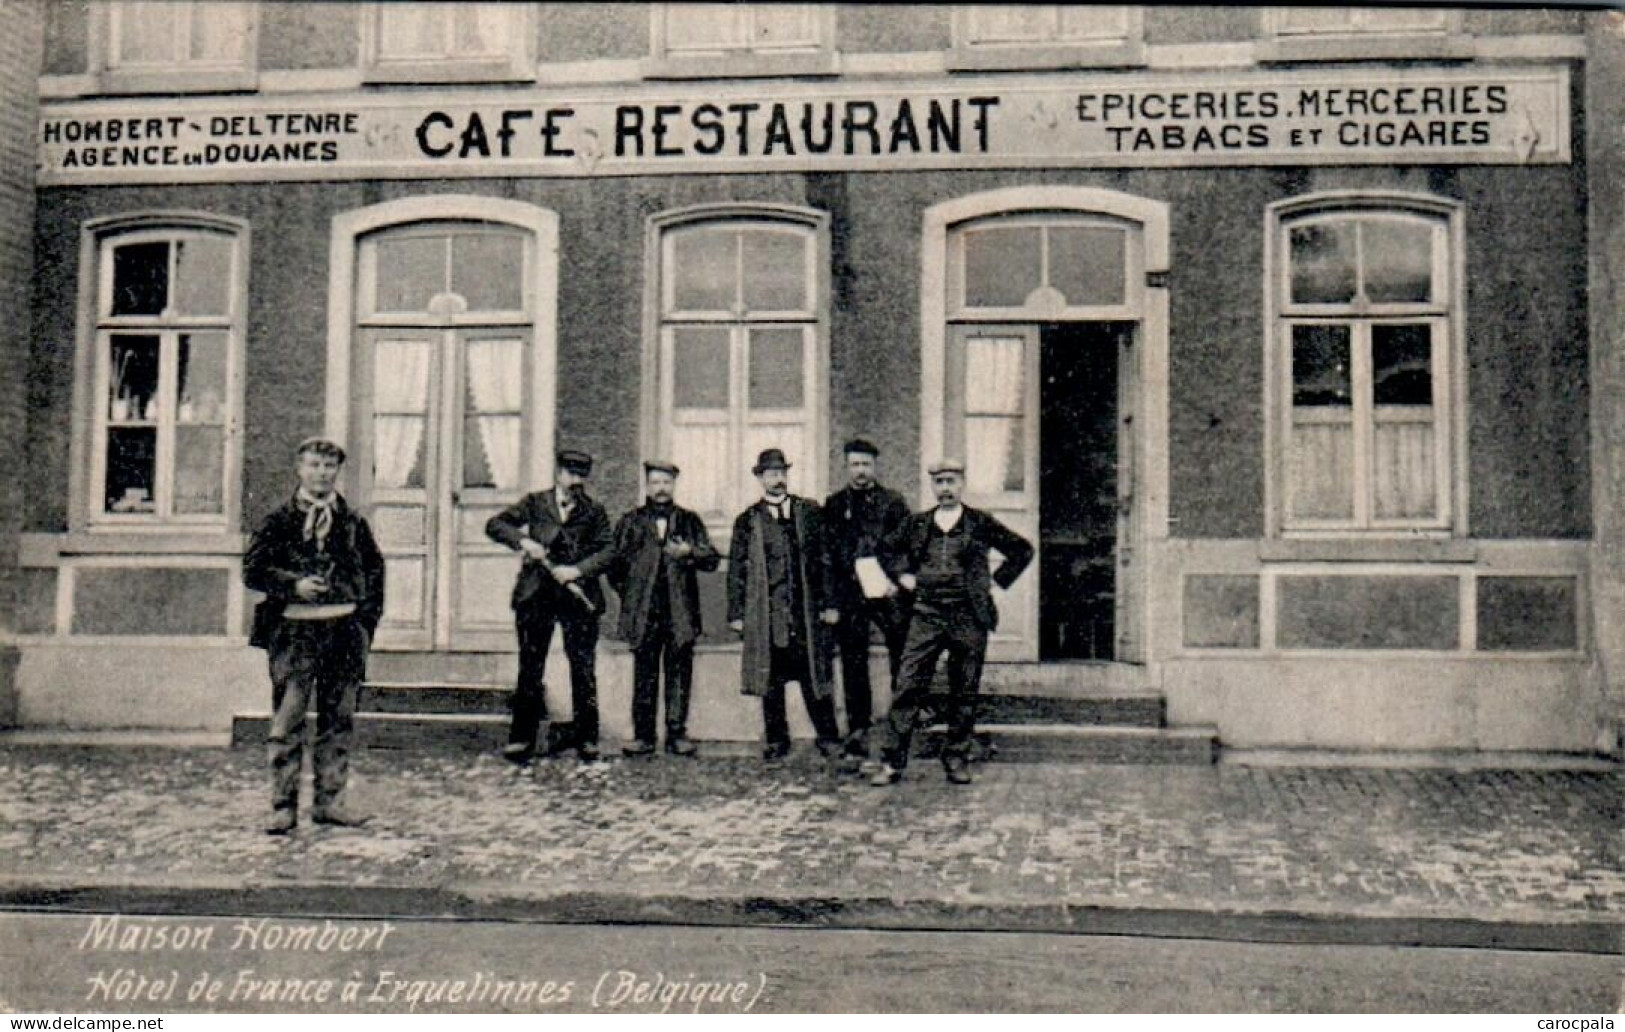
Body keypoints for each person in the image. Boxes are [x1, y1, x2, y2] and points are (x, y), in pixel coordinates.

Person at [243, 437, 385, 834]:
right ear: (299, 469)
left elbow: (375, 575)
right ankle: (283, 805)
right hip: (295, 632)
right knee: (288, 719)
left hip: (343, 631)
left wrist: (363, 624)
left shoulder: (353, 522)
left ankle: (330, 801)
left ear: (336, 472)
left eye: (329, 467)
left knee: (338, 718)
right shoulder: (279, 519)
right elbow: (253, 570)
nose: (321, 473)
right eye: (314, 465)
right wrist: (293, 586)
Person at [872, 458, 1033, 786]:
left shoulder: (979, 522)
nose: (945, 488)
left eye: (951, 482)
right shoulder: (917, 524)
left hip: (968, 617)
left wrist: (995, 583)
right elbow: (885, 549)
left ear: (962, 484)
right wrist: (904, 576)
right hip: (926, 615)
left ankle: (957, 758)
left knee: (964, 690)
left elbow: (1022, 550)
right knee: (907, 685)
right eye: (939, 482)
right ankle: (892, 762)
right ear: (933, 486)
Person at [486, 449, 615, 763]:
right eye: (570, 474)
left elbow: (608, 550)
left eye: (581, 476)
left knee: (583, 669)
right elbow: (496, 524)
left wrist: (578, 571)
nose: (575, 481)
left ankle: (587, 738)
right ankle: (521, 739)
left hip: (577, 596)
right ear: (558, 473)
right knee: (530, 668)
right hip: (537, 594)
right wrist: (523, 541)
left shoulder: (594, 511)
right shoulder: (535, 502)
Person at [728, 448, 843, 762]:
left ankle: (828, 736)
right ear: (760, 478)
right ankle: (777, 738)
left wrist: (830, 603)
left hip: (805, 613)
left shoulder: (809, 512)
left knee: (814, 676)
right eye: (770, 474)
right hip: (768, 615)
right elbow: (738, 569)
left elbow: (826, 561)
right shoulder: (748, 520)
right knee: (771, 680)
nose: (777, 479)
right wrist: (737, 614)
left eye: (781, 473)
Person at [609, 460, 720, 756]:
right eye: (656, 483)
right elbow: (615, 568)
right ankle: (643, 736)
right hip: (645, 613)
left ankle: (676, 734)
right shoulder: (630, 521)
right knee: (643, 674)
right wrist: (634, 596)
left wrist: (689, 552)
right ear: (647, 485)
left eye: (666, 483)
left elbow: (711, 559)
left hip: (679, 611)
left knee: (679, 673)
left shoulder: (688, 521)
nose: (661, 489)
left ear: (674, 486)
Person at [823, 437, 911, 770]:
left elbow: (906, 546)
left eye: (866, 464)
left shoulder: (893, 502)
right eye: (855, 464)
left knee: (900, 654)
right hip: (850, 592)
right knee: (853, 659)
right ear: (846, 467)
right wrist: (832, 601)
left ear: (876, 467)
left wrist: (895, 579)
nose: (861, 471)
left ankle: (900, 725)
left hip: (886, 589)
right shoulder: (833, 505)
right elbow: (828, 556)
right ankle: (858, 730)